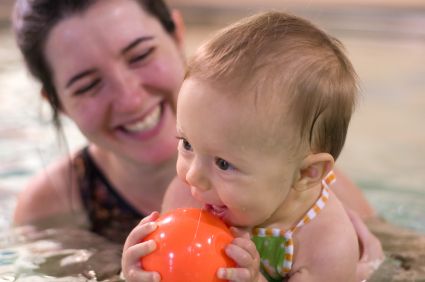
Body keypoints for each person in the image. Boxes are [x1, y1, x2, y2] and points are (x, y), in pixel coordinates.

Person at [12, 0, 382, 278]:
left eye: (140, 55)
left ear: (176, 33)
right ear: (56, 102)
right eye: (89, 84)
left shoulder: (316, 207)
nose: (130, 98)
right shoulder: (50, 211)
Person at [122, 11, 383, 282]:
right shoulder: (188, 196)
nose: (192, 177)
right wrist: (138, 271)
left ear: (307, 173)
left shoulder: (327, 243)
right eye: (187, 144)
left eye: (223, 163)